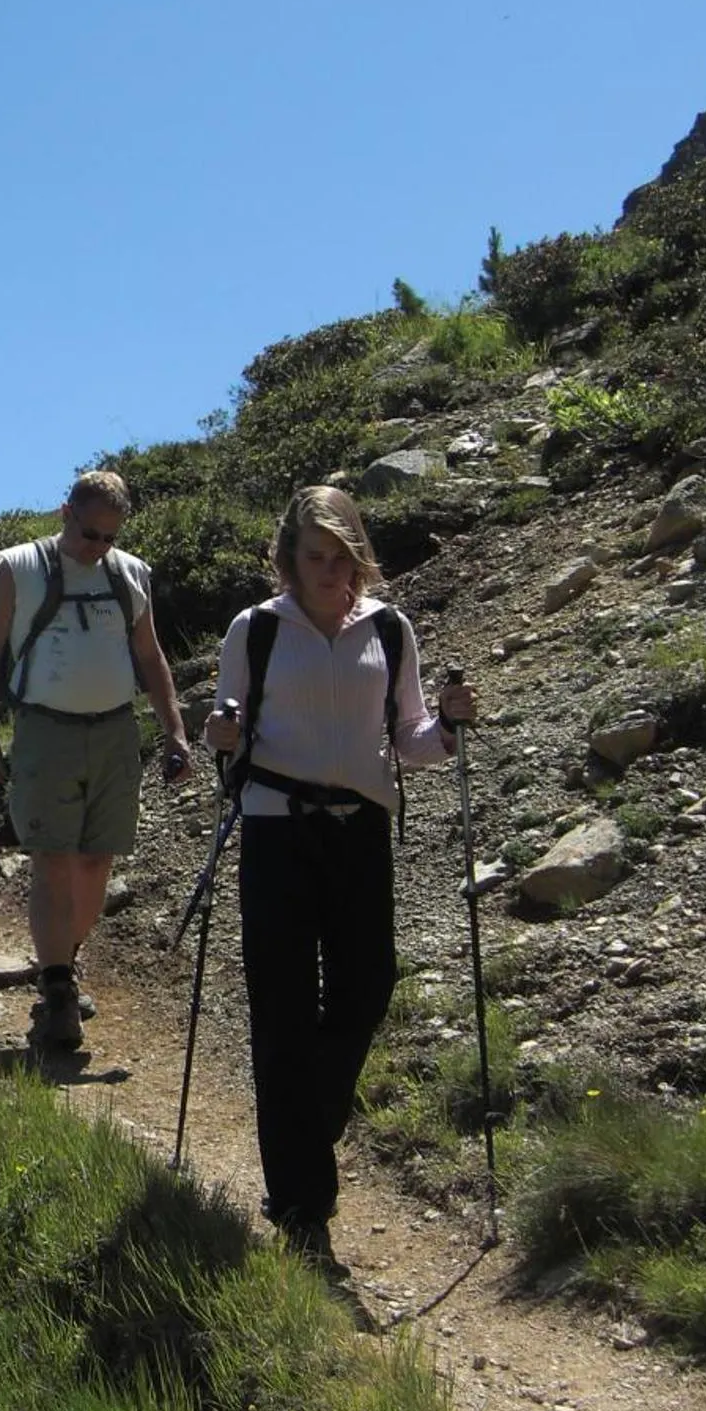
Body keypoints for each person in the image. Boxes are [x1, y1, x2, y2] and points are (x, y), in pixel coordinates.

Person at [200, 485, 476, 1277]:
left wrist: (448, 724)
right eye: (315, 558)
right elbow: (231, 723)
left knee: (367, 984)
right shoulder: (253, 630)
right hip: (276, 830)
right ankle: (300, 1209)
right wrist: (219, 733)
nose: (331, 573)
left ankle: (308, 1119)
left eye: (343, 558)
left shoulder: (388, 628)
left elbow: (411, 740)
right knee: (280, 1009)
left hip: (358, 833)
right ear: (286, 559)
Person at [0, 469, 193, 1057]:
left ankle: (60, 968)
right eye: (90, 533)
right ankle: (59, 990)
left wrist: (175, 730)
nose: (98, 548)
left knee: (97, 862)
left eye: (109, 538)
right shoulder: (16, 567)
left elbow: (150, 655)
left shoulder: (131, 574)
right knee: (52, 860)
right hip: (45, 731)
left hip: (116, 731)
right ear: (65, 510)